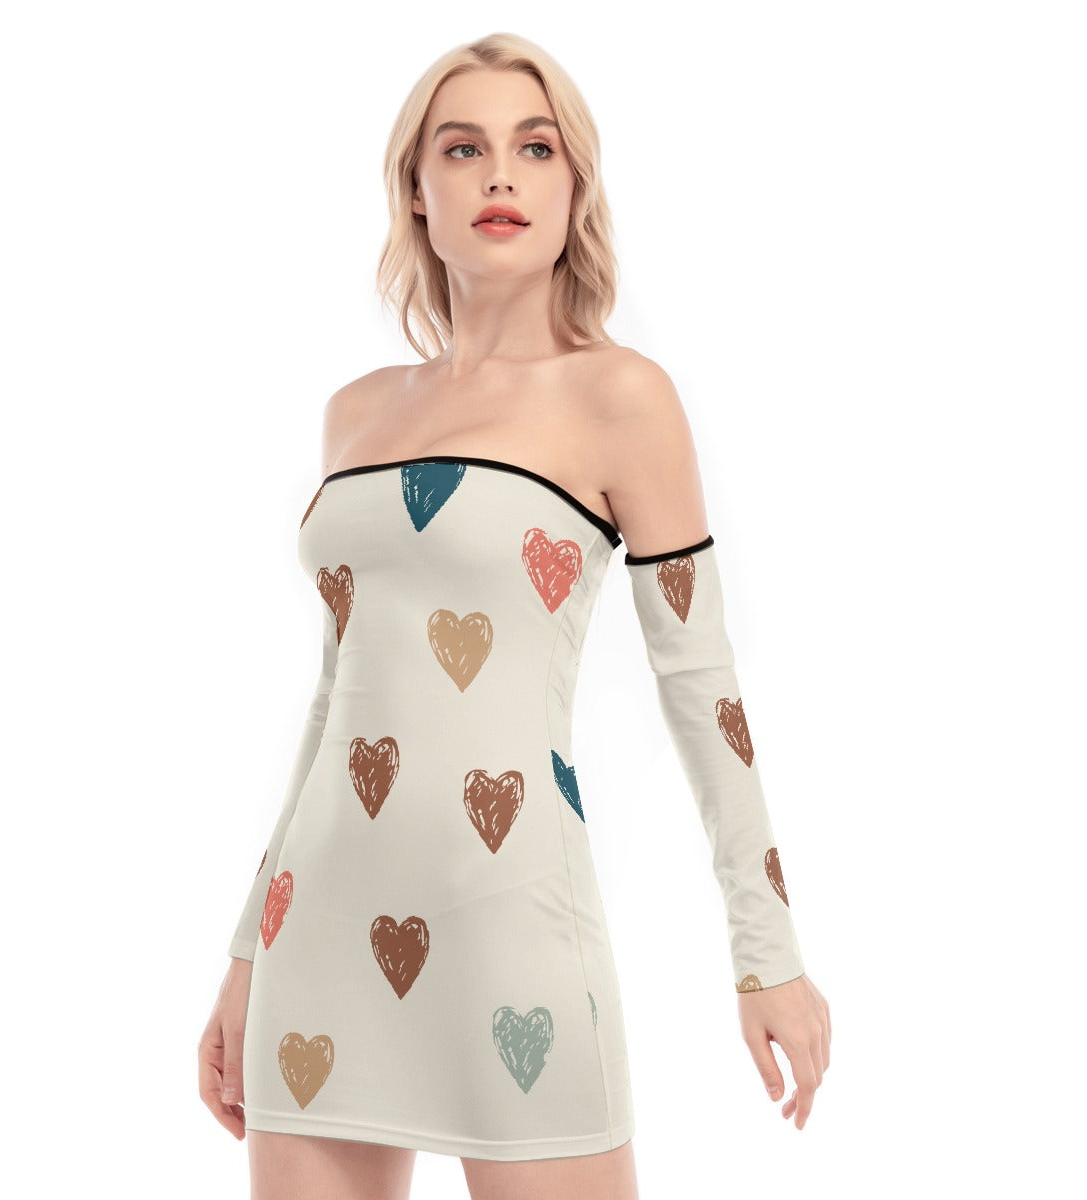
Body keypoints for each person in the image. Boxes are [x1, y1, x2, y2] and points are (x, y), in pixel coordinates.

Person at [198, 31, 831, 1200]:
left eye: (535, 148)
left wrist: (768, 956)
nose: (500, 174)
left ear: (574, 185)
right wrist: (247, 952)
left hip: (512, 922)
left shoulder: (620, 397)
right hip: (318, 933)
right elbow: (338, 701)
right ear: (416, 189)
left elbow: (702, 687)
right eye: (463, 148)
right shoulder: (355, 415)